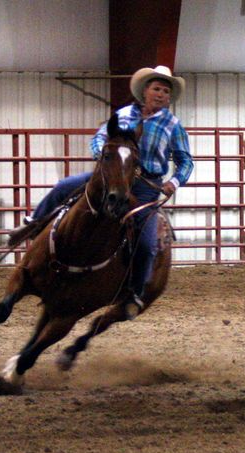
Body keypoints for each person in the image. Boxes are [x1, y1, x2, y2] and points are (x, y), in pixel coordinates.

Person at [20, 65, 193, 319]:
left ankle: (134, 291)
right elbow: (99, 138)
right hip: (113, 175)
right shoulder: (122, 115)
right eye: (157, 89)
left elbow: (186, 161)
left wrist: (174, 182)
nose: (161, 94)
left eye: (166, 92)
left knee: (146, 244)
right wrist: (105, 157)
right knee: (64, 187)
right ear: (145, 91)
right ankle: (33, 223)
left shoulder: (173, 125)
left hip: (145, 187)